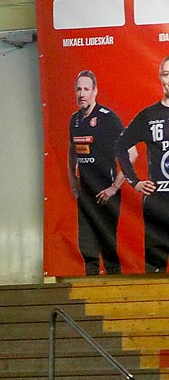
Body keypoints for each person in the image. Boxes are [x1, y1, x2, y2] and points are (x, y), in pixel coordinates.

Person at [68, 70, 126, 275]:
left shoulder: (108, 118)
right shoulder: (75, 120)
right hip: (85, 195)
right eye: (78, 89)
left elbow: (132, 154)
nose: (82, 94)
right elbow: (72, 151)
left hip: (106, 196)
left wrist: (113, 188)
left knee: (109, 249)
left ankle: (116, 299)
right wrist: (73, 181)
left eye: (86, 89)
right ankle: (89, 297)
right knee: (87, 249)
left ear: (95, 92)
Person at [118, 54, 169, 272]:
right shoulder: (149, 115)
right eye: (166, 74)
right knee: (155, 271)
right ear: (160, 78)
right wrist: (135, 182)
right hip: (159, 204)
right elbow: (121, 146)